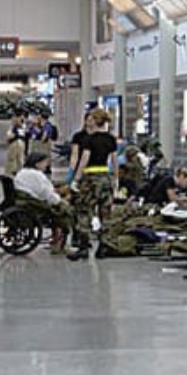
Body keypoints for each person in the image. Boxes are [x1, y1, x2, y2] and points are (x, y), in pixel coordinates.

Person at [69, 108, 118, 261]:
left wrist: (76, 179)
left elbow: (84, 159)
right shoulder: (111, 139)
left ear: (96, 121)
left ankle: (84, 247)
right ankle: (103, 247)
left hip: (90, 178)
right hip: (105, 176)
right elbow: (114, 161)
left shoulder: (89, 139)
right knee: (105, 213)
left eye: (91, 119)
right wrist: (116, 179)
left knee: (84, 211)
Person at [13, 152, 76, 255]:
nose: (46, 165)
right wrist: (61, 201)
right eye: (45, 162)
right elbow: (47, 194)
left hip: (26, 202)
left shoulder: (22, 173)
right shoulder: (37, 175)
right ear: (37, 163)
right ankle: (59, 244)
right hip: (35, 206)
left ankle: (56, 241)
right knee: (64, 212)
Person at [67, 113, 94, 185]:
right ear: (85, 121)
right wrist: (71, 169)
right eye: (90, 120)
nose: (92, 123)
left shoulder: (99, 137)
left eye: (94, 120)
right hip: (80, 166)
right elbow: (74, 154)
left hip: (94, 167)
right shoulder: (78, 136)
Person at [5, 112, 28, 176]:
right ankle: (15, 171)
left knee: (15, 158)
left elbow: (13, 135)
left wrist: (10, 137)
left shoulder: (19, 126)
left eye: (14, 117)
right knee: (17, 159)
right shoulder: (15, 125)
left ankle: (12, 172)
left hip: (16, 143)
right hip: (17, 142)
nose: (13, 119)